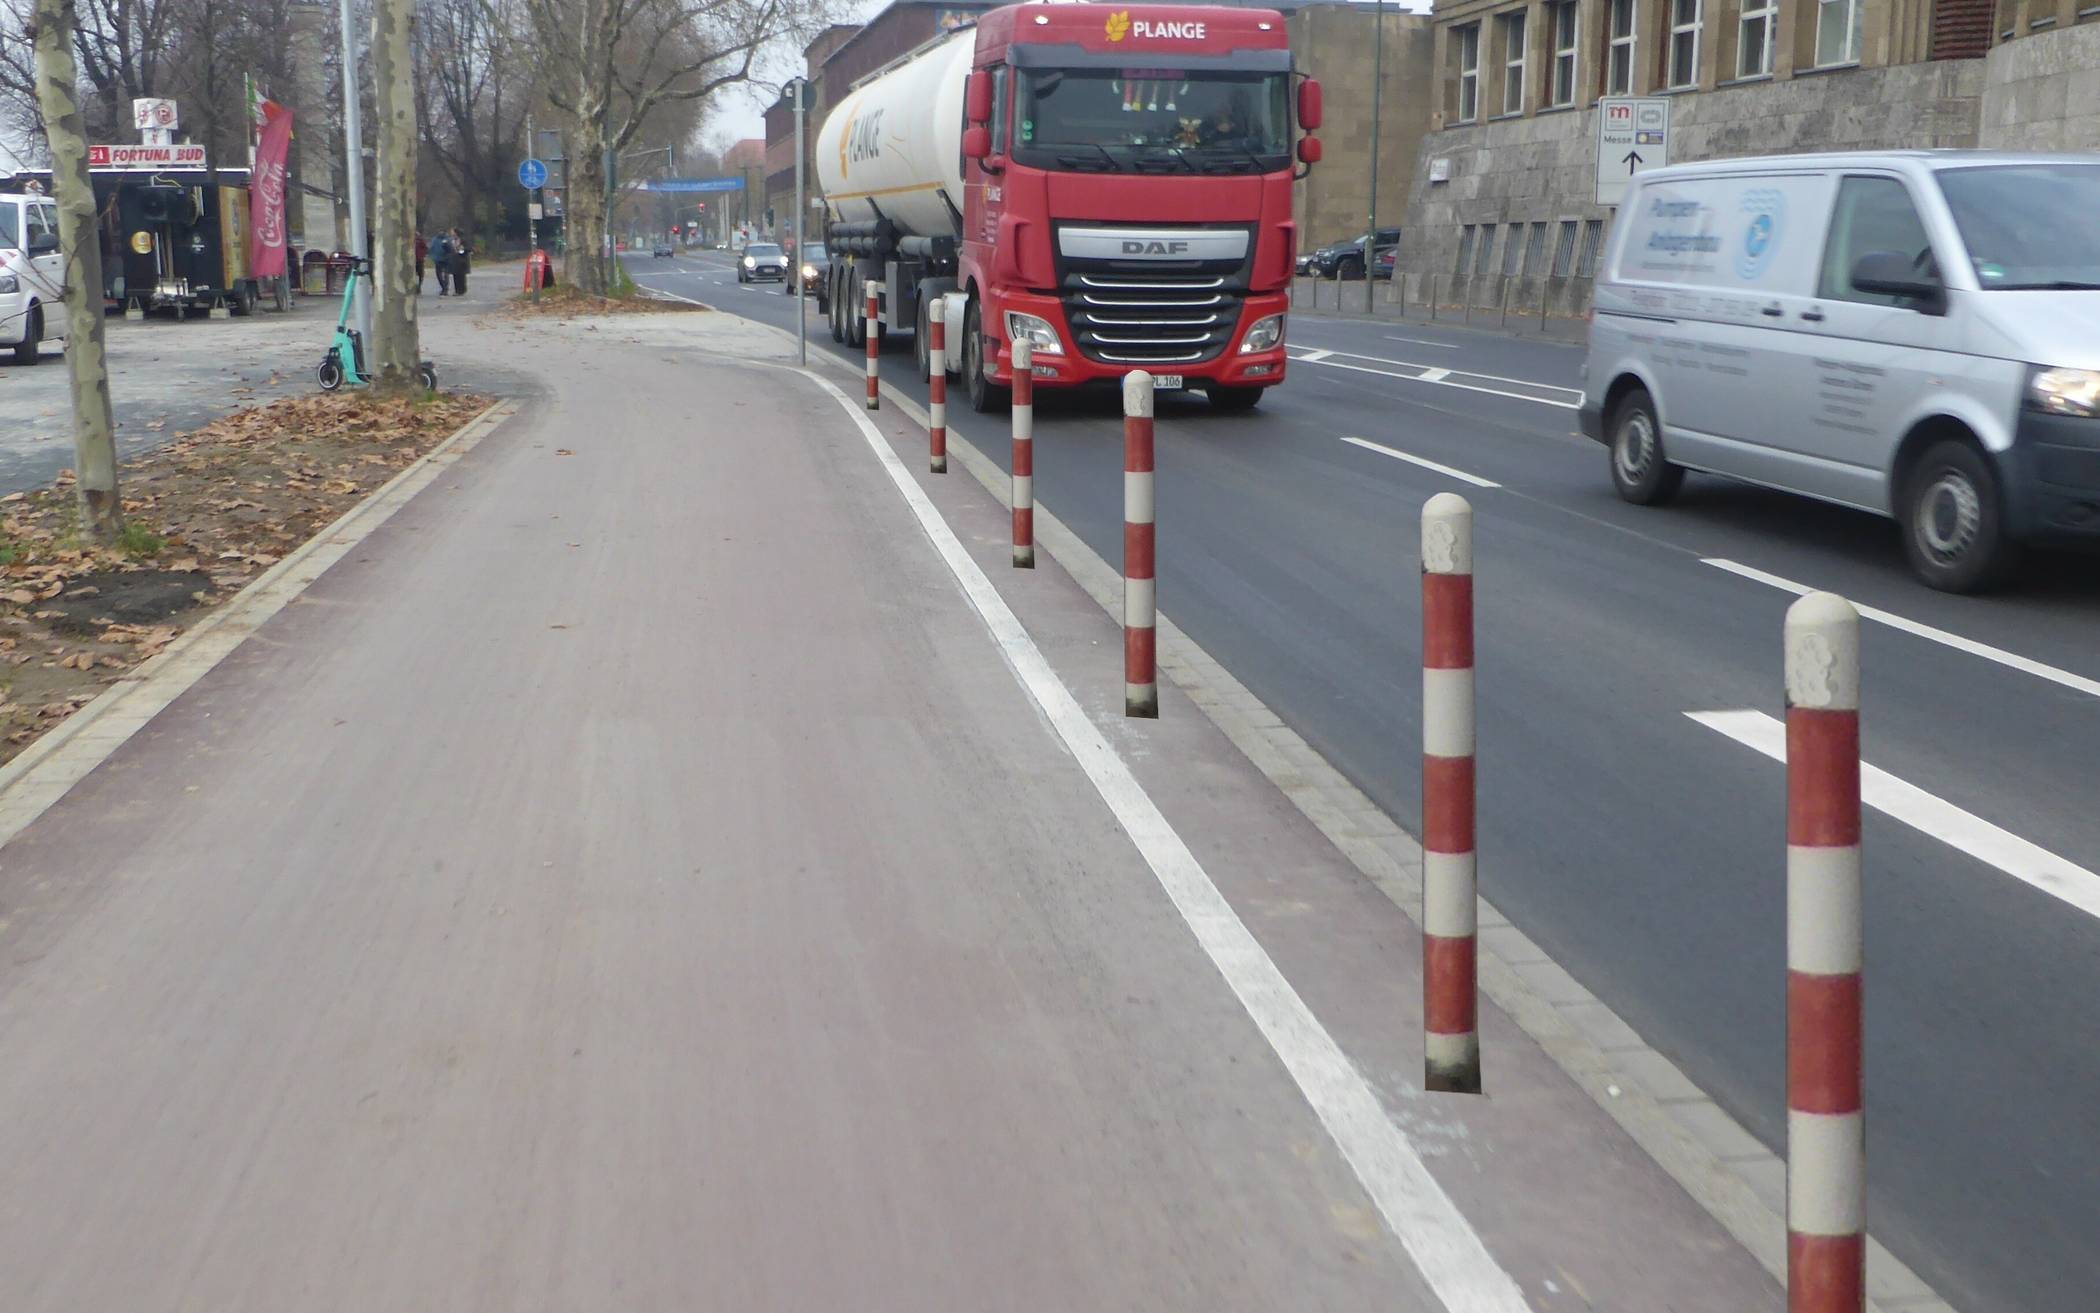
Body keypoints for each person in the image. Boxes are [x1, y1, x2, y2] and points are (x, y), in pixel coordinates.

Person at [429, 230, 453, 296]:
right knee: (443, 274)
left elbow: (431, 248)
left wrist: (432, 256)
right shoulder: (447, 239)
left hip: (443, 259)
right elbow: (431, 248)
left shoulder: (437, 239)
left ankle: (444, 288)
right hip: (441, 259)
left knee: (443, 274)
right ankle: (444, 288)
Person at [448, 228, 471, 296]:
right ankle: (457, 290)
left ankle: (462, 290)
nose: (452, 234)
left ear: (456, 233)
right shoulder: (452, 241)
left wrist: (462, 250)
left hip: (462, 260)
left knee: (461, 276)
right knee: (455, 275)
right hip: (454, 259)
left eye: (453, 233)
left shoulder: (463, 240)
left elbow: (468, 249)